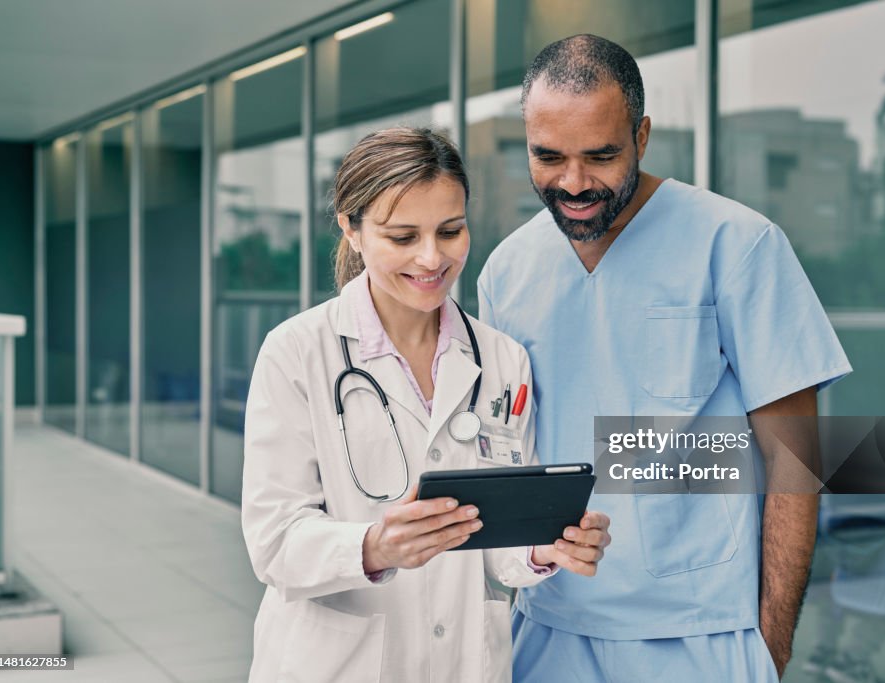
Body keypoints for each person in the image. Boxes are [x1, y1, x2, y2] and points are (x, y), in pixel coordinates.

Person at [478, 36, 852, 681]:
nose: (573, 183)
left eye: (600, 156)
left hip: (703, 632)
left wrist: (770, 644)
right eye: (549, 157)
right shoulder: (506, 270)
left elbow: (794, 460)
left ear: (642, 136)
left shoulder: (738, 245)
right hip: (549, 626)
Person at [241, 127, 610, 683]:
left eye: (450, 230)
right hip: (335, 664)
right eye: (403, 236)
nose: (432, 257)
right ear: (352, 229)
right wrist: (374, 547)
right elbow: (273, 543)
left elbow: (496, 549)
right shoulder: (297, 352)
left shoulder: (503, 361)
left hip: (463, 663)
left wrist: (547, 545)